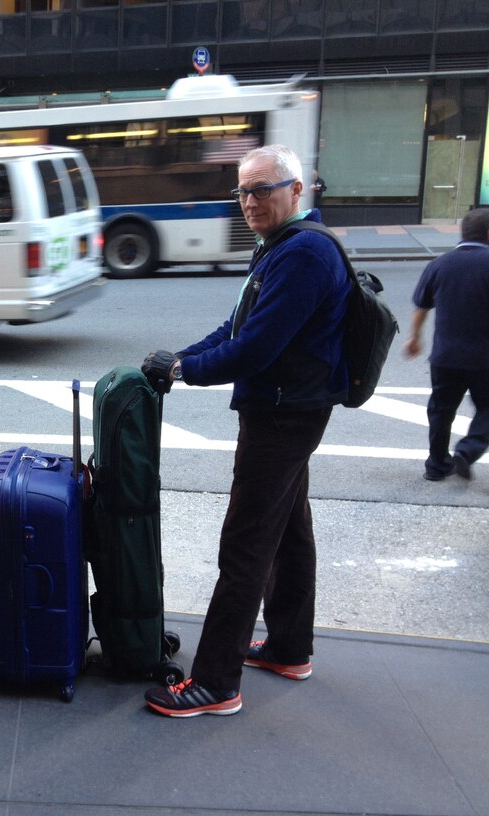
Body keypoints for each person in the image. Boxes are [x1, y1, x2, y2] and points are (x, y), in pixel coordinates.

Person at [140, 144, 350, 717]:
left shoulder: (303, 253)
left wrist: (187, 371)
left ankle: (215, 682)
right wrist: (180, 358)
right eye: (242, 190)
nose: (250, 201)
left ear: (297, 190)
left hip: (283, 416)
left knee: (246, 545)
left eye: (263, 188)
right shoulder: (281, 247)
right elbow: (236, 325)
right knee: (289, 532)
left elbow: (255, 349)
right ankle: (289, 647)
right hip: (291, 409)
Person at [403, 207, 489, 481]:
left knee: (441, 410)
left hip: (445, 357)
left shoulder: (439, 264)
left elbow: (421, 306)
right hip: (484, 358)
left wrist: (414, 338)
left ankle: (437, 465)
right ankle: (468, 449)